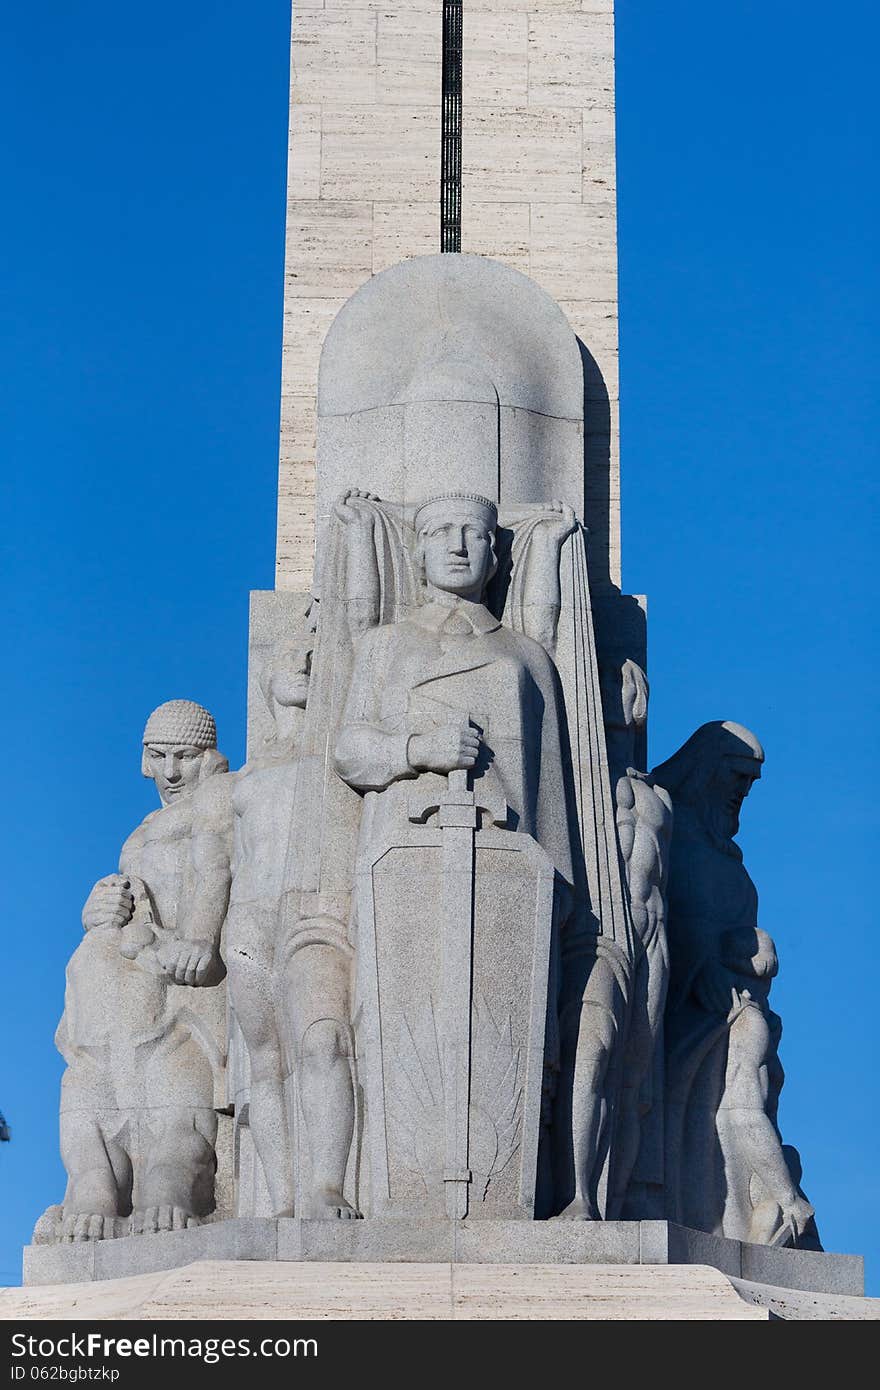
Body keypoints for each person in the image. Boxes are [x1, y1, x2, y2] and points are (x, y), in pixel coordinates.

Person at [37, 701, 229, 1243]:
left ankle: (166, 1187)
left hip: (188, 993)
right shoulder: (146, 827)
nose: (170, 772)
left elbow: (216, 870)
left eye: (185, 757)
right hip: (125, 995)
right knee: (86, 1094)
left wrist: (198, 939)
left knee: (176, 1139)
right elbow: (136, 905)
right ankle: (95, 1183)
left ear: (209, 759)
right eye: (159, 756)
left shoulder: (218, 804)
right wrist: (100, 908)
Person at [656, 721, 818, 1246]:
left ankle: (764, 1209)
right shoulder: (669, 830)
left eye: (749, 782)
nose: (741, 791)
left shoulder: (722, 853)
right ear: (707, 770)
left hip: (733, 1010)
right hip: (695, 1008)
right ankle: (778, 1206)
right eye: (736, 776)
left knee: (743, 1108)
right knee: (734, 1109)